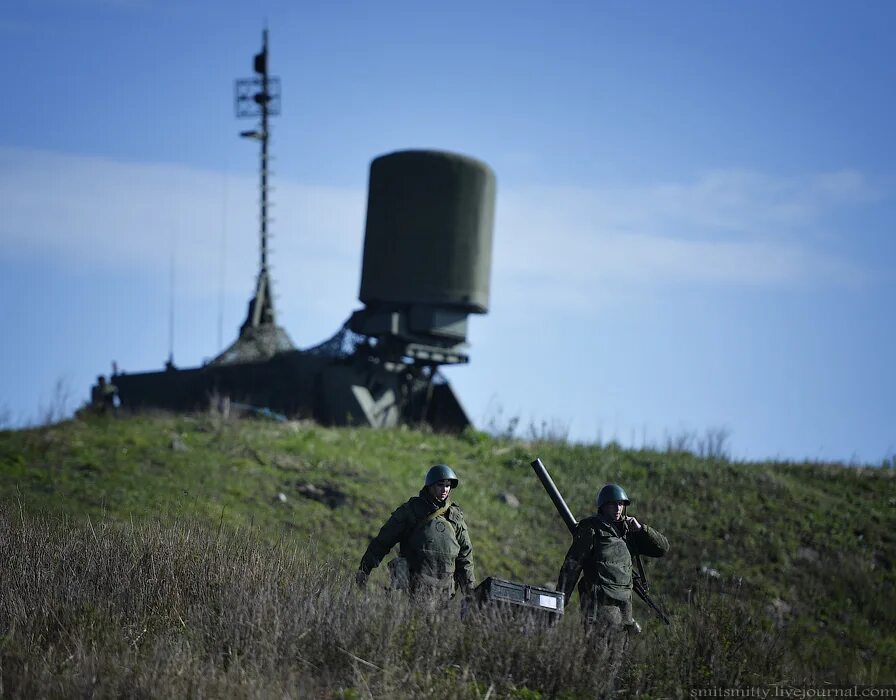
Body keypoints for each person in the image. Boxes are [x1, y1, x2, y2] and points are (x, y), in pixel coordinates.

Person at [557, 483, 669, 677]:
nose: (617, 508)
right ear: (603, 506)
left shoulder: (629, 533)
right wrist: (560, 600)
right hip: (599, 606)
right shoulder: (591, 529)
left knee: (617, 664)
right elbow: (572, 565)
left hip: (624, 610)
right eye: (612, 504)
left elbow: (662, 548)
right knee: (597, 660)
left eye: (620, 504)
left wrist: (642, 529)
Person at [356, 464, 476, 604]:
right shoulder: (411, 511)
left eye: (448, 485)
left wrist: (470, 592)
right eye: (440, 485)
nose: (444, 489)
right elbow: (383, 541)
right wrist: (365, 569)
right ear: (430, 486)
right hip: (411, 590)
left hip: (444, 594)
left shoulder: (455, 517)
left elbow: (465, 556)